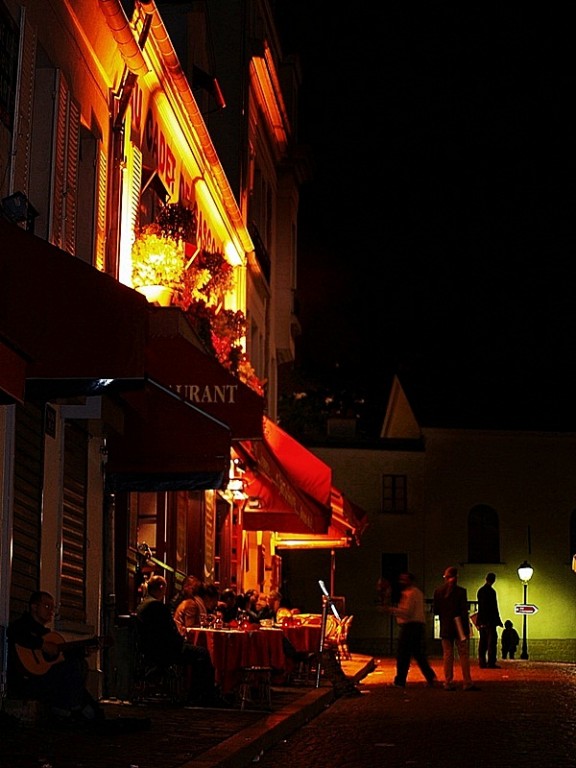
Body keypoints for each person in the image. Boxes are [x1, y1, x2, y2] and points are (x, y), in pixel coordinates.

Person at [6, 591, 104, 723]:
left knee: (80, 665)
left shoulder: (47, 634)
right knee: (73, 667)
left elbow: (62, 656)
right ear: (34, 607)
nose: (51, 611)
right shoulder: (21, 625)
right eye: (47, 606)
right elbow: (14, 633)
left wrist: (84, 651)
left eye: (53, 608)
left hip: (45, 678)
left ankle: (79, 708)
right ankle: (71, 708)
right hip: (28, 681)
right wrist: (41, 644)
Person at [136, 575, 224, 707]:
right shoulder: (157, 606)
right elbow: (170, 631)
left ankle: (198, 694)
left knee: (198, 653)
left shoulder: (142, 606)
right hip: (166, 650)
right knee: (203, 654)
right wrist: (182, 641)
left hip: (150, 649)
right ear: (161, 587)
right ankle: (203, 695)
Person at [433, 566, 479, 691]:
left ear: (445, 577)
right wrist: (466, 630)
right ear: (456, 577)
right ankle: (467, 681)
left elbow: (436, 610)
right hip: (459, 626)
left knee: (447, 654)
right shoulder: (461, 592)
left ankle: (448, 681)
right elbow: (463, 612)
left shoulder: (438, 591)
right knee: (463, 654)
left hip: (445, 626)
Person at [387, 572, 437, 688]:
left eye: (404, 580)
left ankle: (400, 680)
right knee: (418, 654)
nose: (401, 582)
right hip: (417, 626)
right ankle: (430, 677)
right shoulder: (417, 593)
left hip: (410, 626)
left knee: (403, 654)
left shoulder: (410, 594)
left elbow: (407, 612)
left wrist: (392, 610)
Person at [476, 572, 503, 668]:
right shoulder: (491, 592)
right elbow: (494, 607)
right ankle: (491, 662)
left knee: (482, 642)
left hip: (482, 620)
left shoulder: (480, 591)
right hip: (490, 621)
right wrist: (498, 620)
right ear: (493, 580)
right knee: (491, 643)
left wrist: (479, 621)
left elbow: (481, 607)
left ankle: (482, 662)